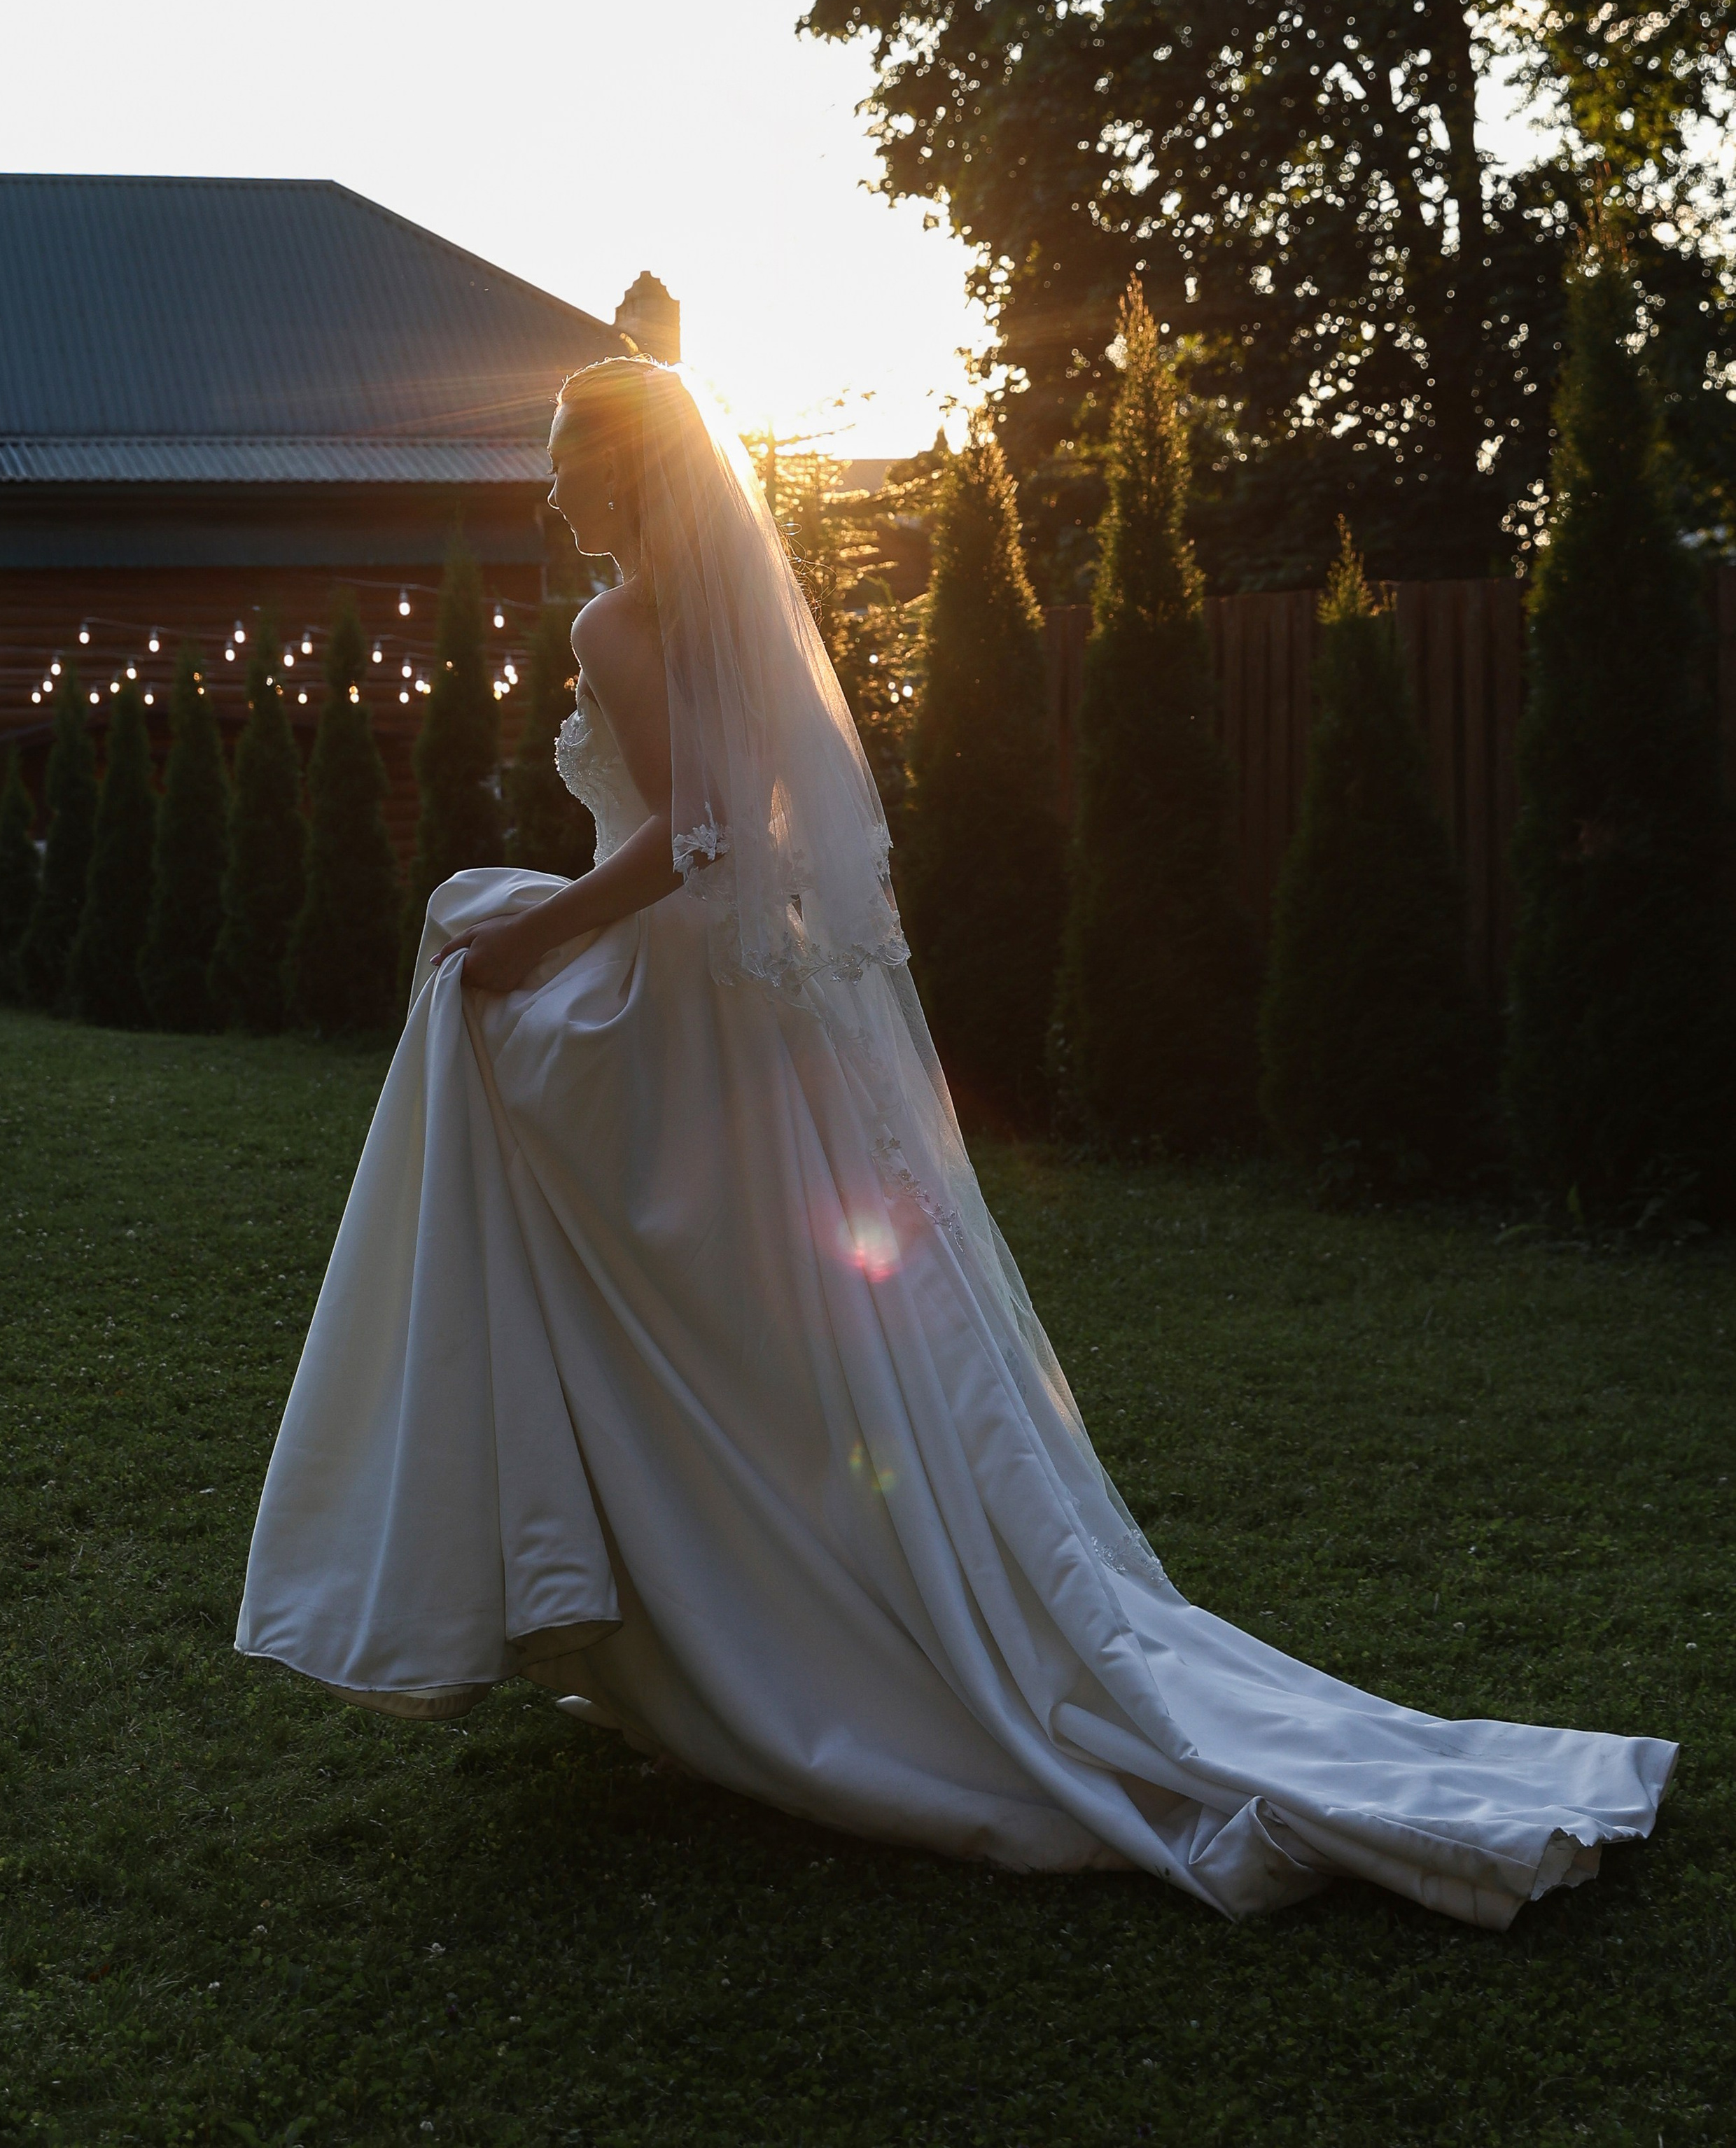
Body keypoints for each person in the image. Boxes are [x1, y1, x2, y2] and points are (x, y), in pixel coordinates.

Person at [237, 354, 1674, 1929]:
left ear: (628, 474)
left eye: (569, 459)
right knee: (769, 1329)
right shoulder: (685, 609)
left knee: (512, 1058)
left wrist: (531, 942)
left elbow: (698, 830)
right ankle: (656, 1588)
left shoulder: (617, 618)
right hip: (732, 1005)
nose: (550, 489)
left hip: (679, 999)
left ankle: (694, 1608)